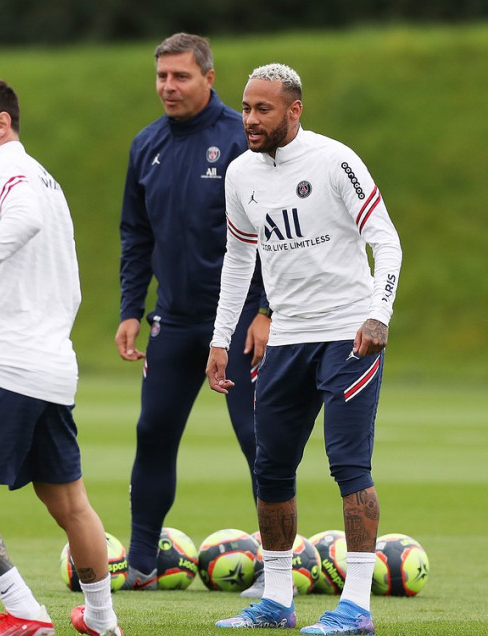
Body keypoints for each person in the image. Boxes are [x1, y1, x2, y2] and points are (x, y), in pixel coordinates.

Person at [0, 77, 124, 636]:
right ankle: (103, 620)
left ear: (2, 123)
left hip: (6, 366)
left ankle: (25, 612)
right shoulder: (44, 176)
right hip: (52, 365)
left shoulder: (3, 167)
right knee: (69, 504)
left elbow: (24, 219)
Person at [207, 63, 401, 635]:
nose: (249, 120)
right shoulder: (240, 174)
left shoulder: (335, 160)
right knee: (270, 470)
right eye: (245, 108)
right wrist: (221, 338)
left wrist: (378, 315)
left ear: (294, 109)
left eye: (262, 109)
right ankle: (276, 598)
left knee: (349, 467)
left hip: (348, 334)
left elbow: (385, 243)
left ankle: (357, 607)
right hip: (286, 338)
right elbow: (239, 259)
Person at [116, 32, 271, 591]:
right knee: (153, 431)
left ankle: (273, 572)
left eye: (180, 76)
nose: (168, 86)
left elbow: (274, 230)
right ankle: (139, 565)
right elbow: (136, 234)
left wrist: (266, 310)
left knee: (258, 440)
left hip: (239, 323)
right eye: (161, 76)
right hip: (174, 321)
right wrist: (132, 308)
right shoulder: (147, 144)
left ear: (209, 77)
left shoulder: (241, 139)